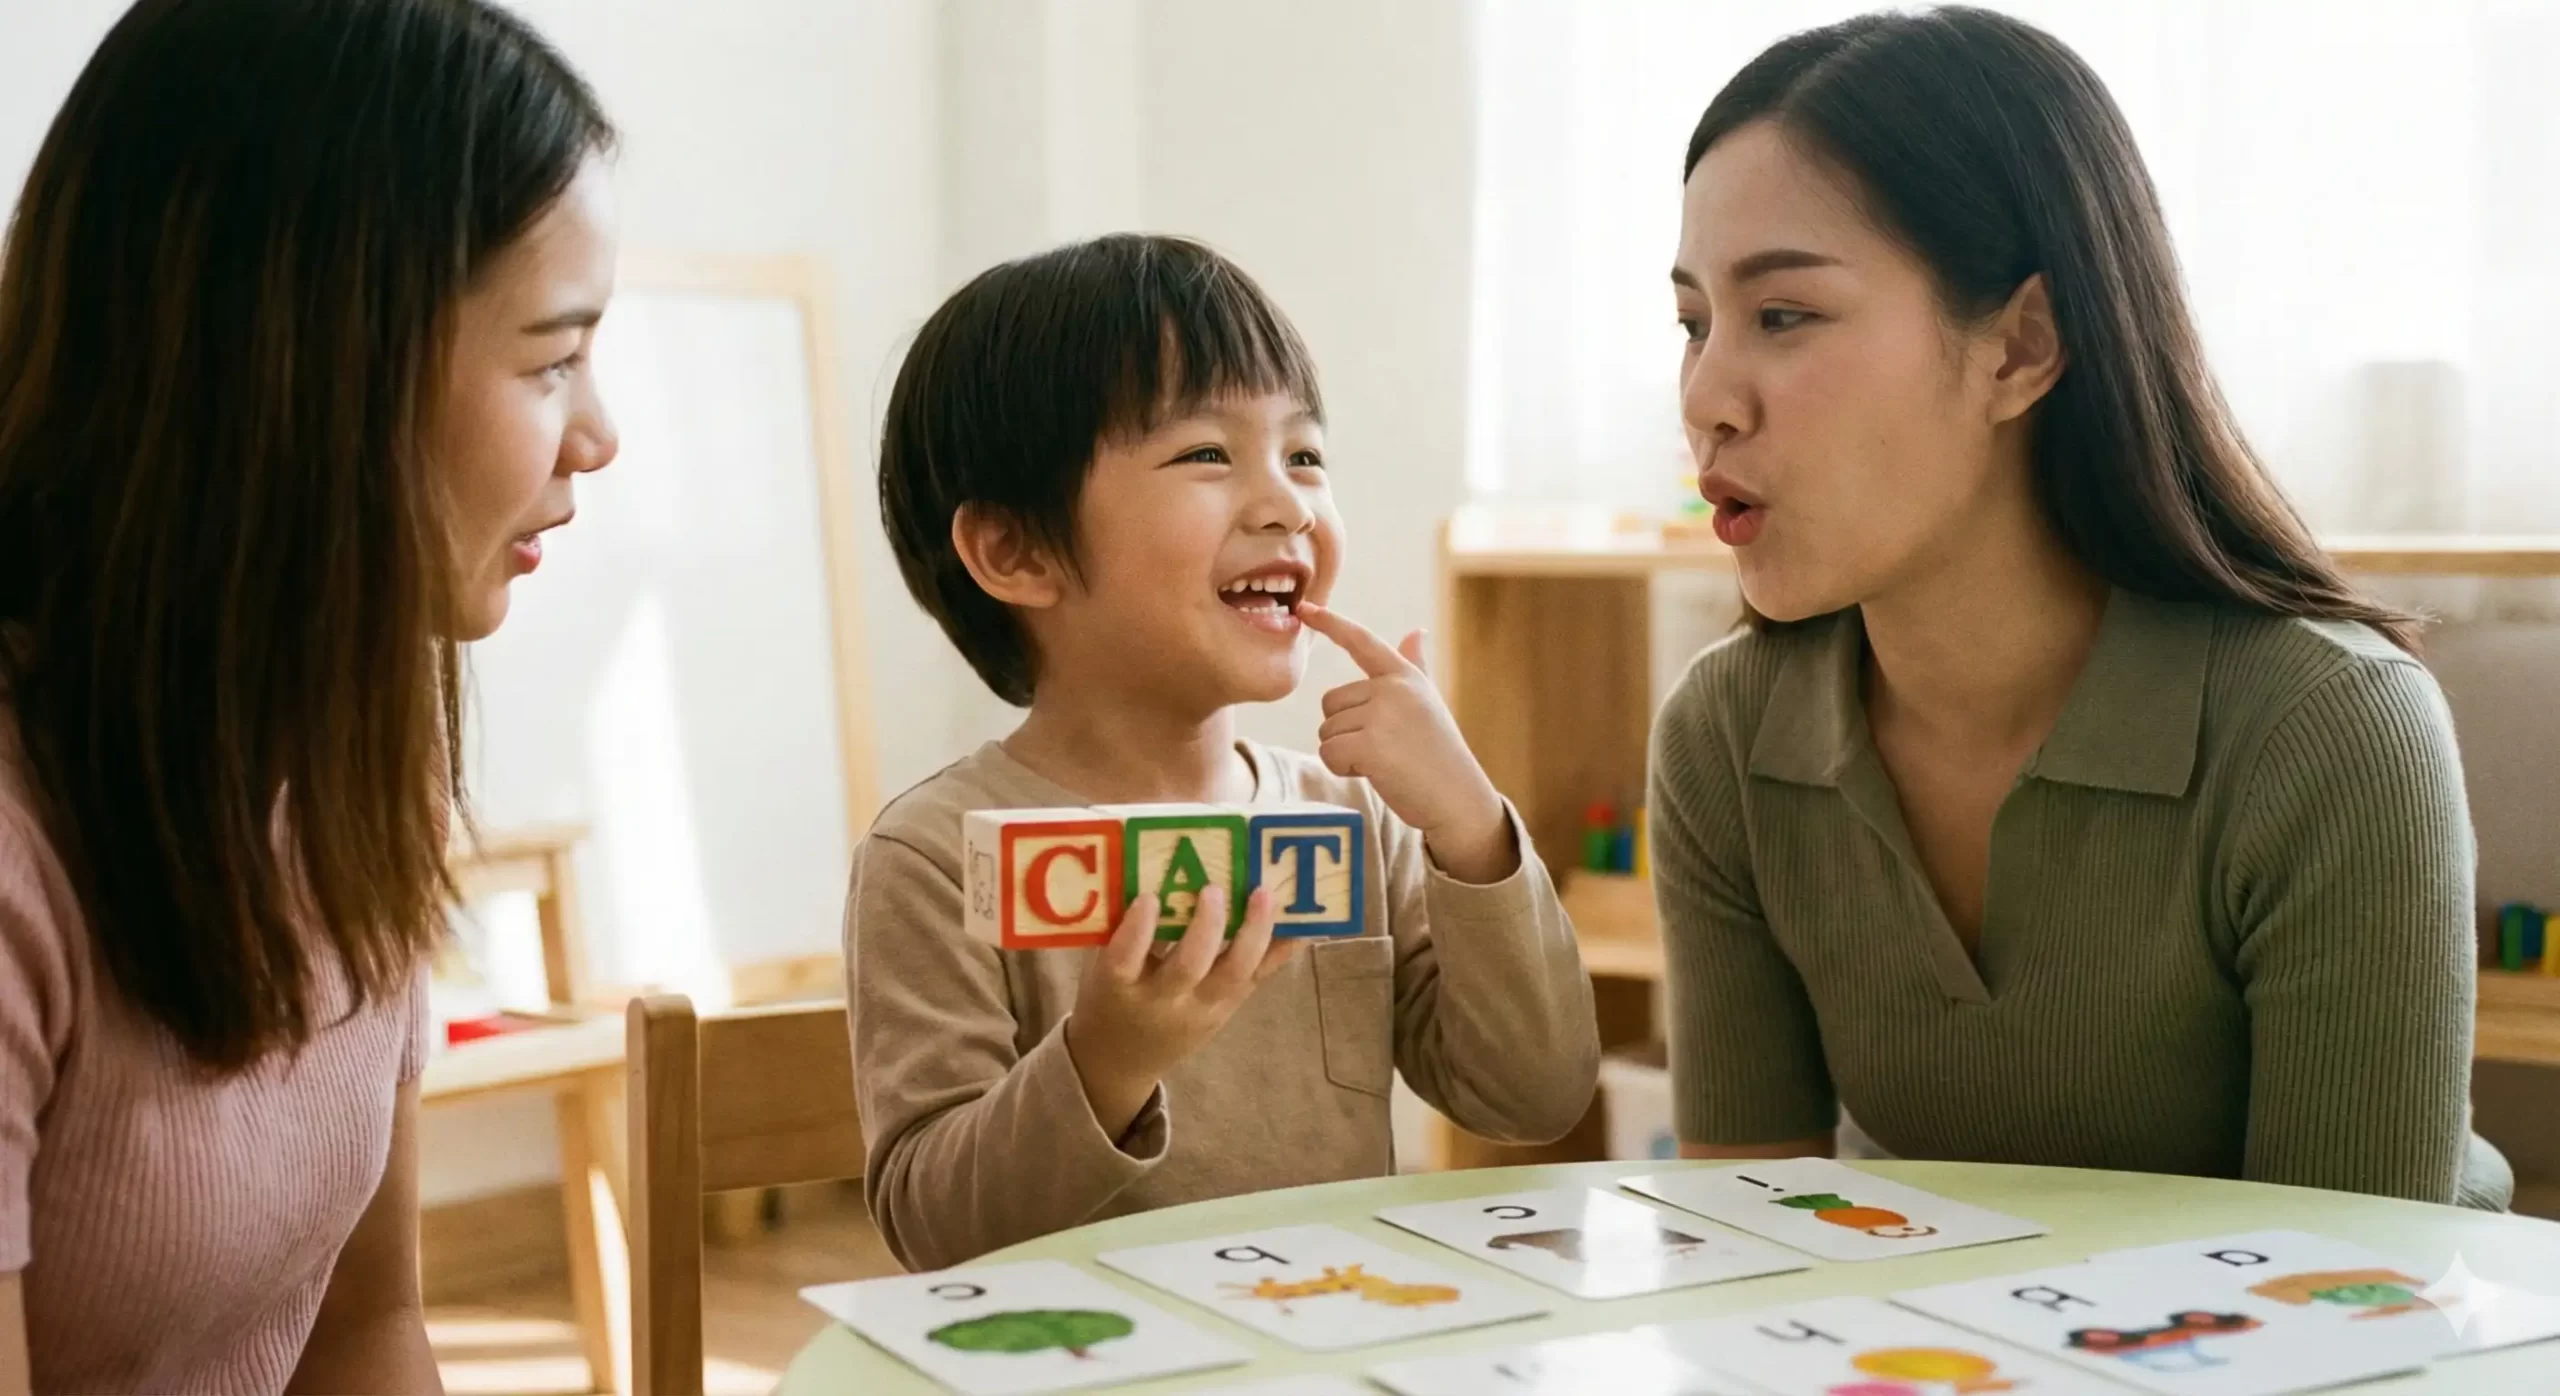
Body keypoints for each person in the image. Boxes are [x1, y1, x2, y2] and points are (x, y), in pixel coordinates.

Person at [1651, 6, 2509, 1208]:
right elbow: (1749, 1236)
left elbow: (2349, 1292)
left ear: (2021, 346)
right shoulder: (1726, 736)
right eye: (1693, 324)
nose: (1706, 397)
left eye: (1782, 315)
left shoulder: (2330, 732)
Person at [0, 0, 620, 1387]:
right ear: (314, 366)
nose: (598, 434)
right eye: (550, 360)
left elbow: (365, 1326)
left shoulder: (357, 752)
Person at [850, 233, 1600, 1270]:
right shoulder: (936, 857)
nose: (1287, 503)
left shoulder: (1353, 816)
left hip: (1336, 1329)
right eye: (1207, 454)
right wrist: (1105, 1062)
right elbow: (936, 1233)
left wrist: (1472, 828)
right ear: (1015, 550)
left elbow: (1534, 1095)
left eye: (1304, 454)